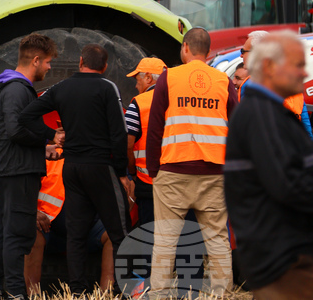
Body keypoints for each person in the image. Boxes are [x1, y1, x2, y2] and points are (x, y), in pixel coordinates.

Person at [19, 44, 129, 295]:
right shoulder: (107, 87)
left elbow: (26, 115)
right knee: (119, 231)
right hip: (100, 167)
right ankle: (122, 290)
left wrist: (53, 135)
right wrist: (121, 172)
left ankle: (77, 291)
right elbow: (119, 133)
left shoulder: (61, 88)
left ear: (80, 61)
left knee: (76, 235)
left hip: (72, 168)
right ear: (105, 66)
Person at [145, 27, 236, 297]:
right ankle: (221, 294)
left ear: (185, 48)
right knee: (218, 239)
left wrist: (153, 169)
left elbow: (155, 128)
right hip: (215, 173)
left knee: (164, 241)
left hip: (173, 171)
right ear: (208, 53)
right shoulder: (223, 81)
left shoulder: (169, 77)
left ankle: (159, 294)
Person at [225, 32, 313, 298]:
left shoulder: (274, 110)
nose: (303, 73)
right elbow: (285, 183)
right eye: (296, 65)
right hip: (281, 254)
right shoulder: (261, 113)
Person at [0, 33, 61, 300]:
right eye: (48, 62)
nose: (49, 67)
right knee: (16, 232)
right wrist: (49, 136)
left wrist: (42, 149)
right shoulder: (17, 89)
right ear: (36, 60)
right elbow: (16, 130)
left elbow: (13, 130)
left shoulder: (10, 87)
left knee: (3, 229)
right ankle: (15, 293)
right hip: (16, 171)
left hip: (9, 167)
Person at [22, 157, 114, 296]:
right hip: (50, 227)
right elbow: (18, 189)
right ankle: (32, 295)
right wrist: (31, 212)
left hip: (89, 229)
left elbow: (125, 183)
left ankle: (107, 294)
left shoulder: (96, 154)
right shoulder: (44, 156)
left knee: (113, 233)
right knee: (32, 233)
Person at [124, 56, 166, 227]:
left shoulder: (139, 103)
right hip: (178, 181)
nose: (136, 85)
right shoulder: (178, 99)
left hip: (148, 183)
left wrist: (132, 172)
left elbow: (127, 144)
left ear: (149, 78)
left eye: (137, 79)